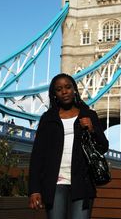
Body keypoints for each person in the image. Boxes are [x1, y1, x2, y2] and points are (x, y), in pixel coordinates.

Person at [28, 73, 109, 219]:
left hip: (82, 183)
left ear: (74, 90)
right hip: (55, 183)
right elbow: (37, 156)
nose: (64, 92)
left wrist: (92, 129)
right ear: (54, 94)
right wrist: (34, 190)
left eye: (68, 87)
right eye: (59, 89)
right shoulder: (48, 118)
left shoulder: (89, 115)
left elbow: (103, 147)